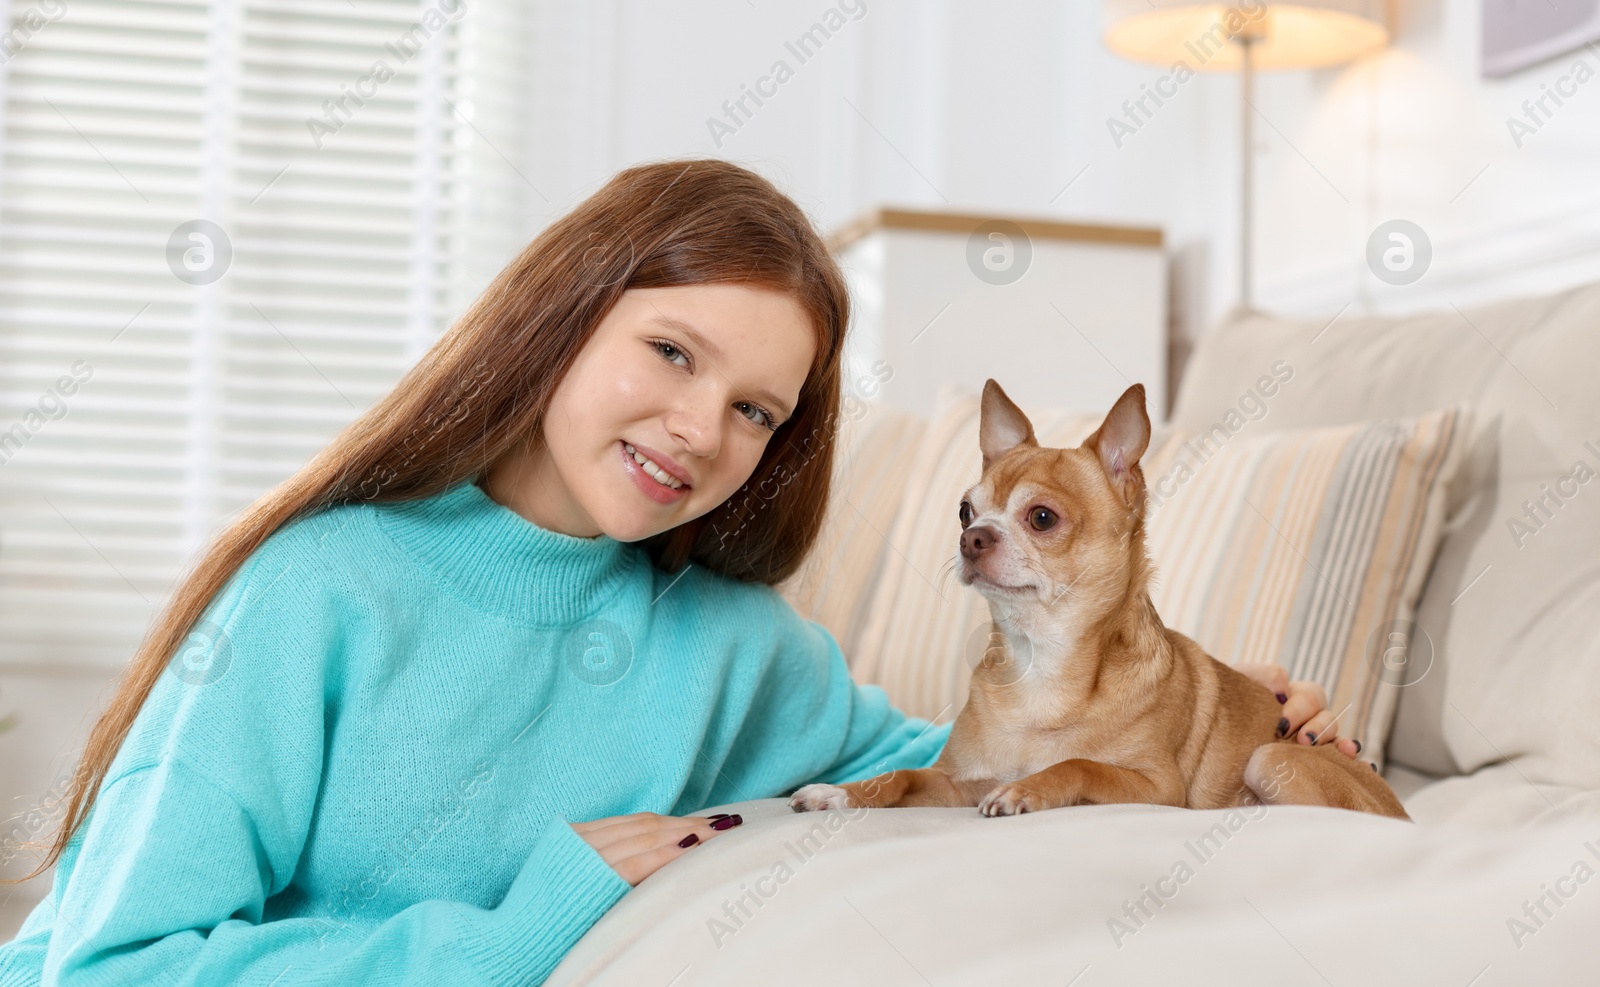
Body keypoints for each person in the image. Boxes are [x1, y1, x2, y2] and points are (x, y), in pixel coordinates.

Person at [0, 159, 1353, 986]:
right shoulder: (318, 590)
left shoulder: (737, 649)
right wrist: (513, 935)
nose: (704, 432)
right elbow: (111, 970)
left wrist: (1237, 715)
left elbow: (961, 763)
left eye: (759, 411)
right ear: (564, 318)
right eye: (672, 354)